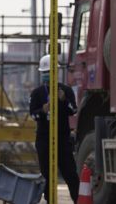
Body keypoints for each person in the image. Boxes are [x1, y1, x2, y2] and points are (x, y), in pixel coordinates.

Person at [29, 54, 80, 203]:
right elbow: (33, 114)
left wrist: (64, 100)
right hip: (44, 139)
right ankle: (50, 200)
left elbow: (73, 110)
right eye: (44, 73)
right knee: (46, 175)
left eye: (49, 72)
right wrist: (43, 111)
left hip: (62, 138)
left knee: (70, 173)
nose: (47, 75)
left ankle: (78, 199)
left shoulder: (66, 91)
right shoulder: (37, 93)